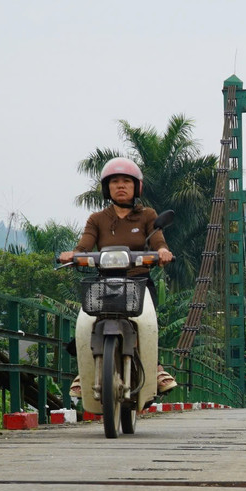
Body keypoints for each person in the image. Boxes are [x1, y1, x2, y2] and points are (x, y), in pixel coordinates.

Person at [60, 157, 178, 400]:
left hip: (139, 283)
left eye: (126, 181)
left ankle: (155, 369)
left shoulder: (147, 215)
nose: (120, 186)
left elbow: (158, 241)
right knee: (86, 323)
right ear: (107, 188)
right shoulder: (97, 219)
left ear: (137, 187)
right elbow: (84, 245)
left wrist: (163, 252)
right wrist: (74, 255)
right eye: (114, 182)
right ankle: (84, 373)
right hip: (106, 283)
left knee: (148, 324)